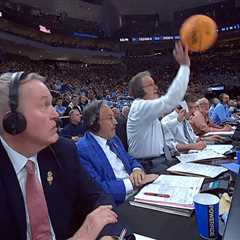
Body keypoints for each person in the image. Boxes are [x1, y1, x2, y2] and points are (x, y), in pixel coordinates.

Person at [0, 72, 131, 240]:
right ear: (12, 121)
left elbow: (99, 198)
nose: (56, 115)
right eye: (44, 106)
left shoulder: (62, 151)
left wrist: (109, 237)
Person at [76, 101, 158, 204]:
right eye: (110, 118)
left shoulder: (114, 138)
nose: (115, 122)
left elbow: (130, 159)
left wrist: (137, 170)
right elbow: (97, 189)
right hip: (118, 204)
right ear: (94, 123)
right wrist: (133, 183)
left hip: (139, 191)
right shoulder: (81, 150)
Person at [127, 42, 190, 174]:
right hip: (147, 165)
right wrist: (184, 67)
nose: (155, 87)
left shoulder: (146, 110)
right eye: (150, 85)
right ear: (139, 90)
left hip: (157, 161)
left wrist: (176, 120)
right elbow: (170, 101)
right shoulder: (140, 106)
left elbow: (160, 128)